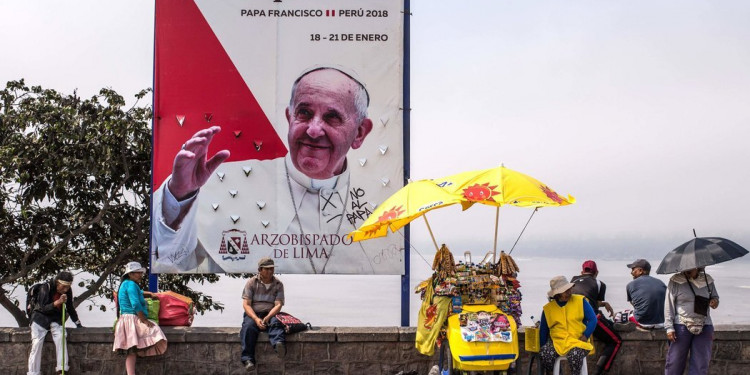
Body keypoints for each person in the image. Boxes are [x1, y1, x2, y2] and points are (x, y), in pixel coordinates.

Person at [151, 66, 399, 274]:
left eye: (332, 117)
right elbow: (171, 259)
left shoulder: (385, 205)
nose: (313, 130)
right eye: (304, 113)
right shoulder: (223, 182)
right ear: (290, 118)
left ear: (359, 133)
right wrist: (179, 196)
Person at [113, 261, 167, 375]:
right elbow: (136, 304)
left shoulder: (126, 284)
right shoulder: (132, 285)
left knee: (131, 352)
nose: (140, 275)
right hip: (132, 319)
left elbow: (139, 292)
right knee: (154, 329)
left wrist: (149, 294)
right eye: (138, 273)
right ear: (130, 274)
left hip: (125, 319)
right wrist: (144, 320)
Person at [664, 267, 719, 375]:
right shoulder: (675, 281)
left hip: (704, 325)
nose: (687, 269)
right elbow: (668, 305)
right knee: (675, 362)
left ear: (698, 266)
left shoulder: (708, 280)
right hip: (681, 326)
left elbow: (715, 298)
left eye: (690, 267)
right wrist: (669, 327)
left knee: (701, 363)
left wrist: (714, 302)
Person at [570, 260, 622, 375]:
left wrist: (604, 304)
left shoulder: (573, 280)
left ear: (581, 272)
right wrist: (604, 303)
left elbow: (586, 299)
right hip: (590, 319)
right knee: (616, 340)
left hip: (574, 319)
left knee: (608, 324)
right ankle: (598, 372)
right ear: (596, 272)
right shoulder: (600, 284)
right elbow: (593, 303)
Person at [27, 271, 82, 375]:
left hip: (55, 318)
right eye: (63, 287)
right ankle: (33, 372)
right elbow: (42, 308)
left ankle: (62, 369)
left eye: (68, 287)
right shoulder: (45, 288)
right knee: (37, 343)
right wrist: (58, 302)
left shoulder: (67, 291)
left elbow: (70, 307)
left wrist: (77, 323)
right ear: (57, 282)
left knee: (61, 337)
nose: (65, 289)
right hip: (40, 318)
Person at [539, 275, 596, 375]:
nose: (569, 293)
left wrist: (585, 335)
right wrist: (543, 346)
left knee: (575, 355)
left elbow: (593, 320)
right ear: (557, 294)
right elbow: (544, 330)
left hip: (578, 341)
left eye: (569, 290)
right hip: (558, 343)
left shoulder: (580, 301)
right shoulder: (548, 309)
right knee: (545, 354)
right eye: (565, 291)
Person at [240, 257, 286, 371]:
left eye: (271, 269)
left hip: (270, 312)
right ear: (260, 270)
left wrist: (268, 317)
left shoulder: (278, 284)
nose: (270, 271)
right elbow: (246, 304)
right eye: (267, 269)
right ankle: (248, 359)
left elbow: (278, 305)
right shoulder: (251, 282)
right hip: (254, 312)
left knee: (276, 322)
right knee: (248, 327)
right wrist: (256, 319)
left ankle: (278, 344)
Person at [625, 259, 666, 328]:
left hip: (643, 322)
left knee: (617, 316)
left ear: (640, 271)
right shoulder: (660, 282)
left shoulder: (631, 285)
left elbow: (634, 304)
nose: (631, 273)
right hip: (662, 322)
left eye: (633, 270)